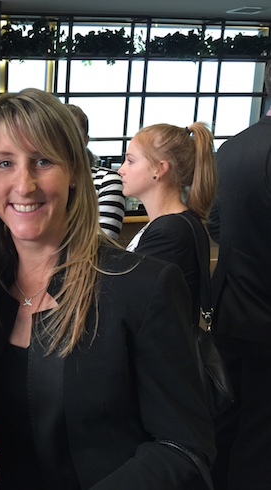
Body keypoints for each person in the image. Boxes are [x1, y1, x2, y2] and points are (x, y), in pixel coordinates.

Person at [0, 88, 215, 489]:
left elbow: (184, 448)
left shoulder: (141, 286)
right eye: (5, 163)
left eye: (42, 160)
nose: (24, 184)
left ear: (74, 171)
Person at [206, 60, 271, 490]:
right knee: (261, 436)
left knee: (227, 420)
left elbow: (215, 224)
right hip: (267, 317)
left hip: (229, 309)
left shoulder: (231, 147)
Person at [119, 122, 216, 325]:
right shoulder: (172, 224)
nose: (121, 170)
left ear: (160, 169)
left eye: (130, 161)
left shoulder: (169, 233)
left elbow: (131, 302)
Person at [65, 104, 125, 240]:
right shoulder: (39, 181)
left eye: (72, 134)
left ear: (85, 141)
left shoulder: (106, 181)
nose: (64, 141)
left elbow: (101, 244)